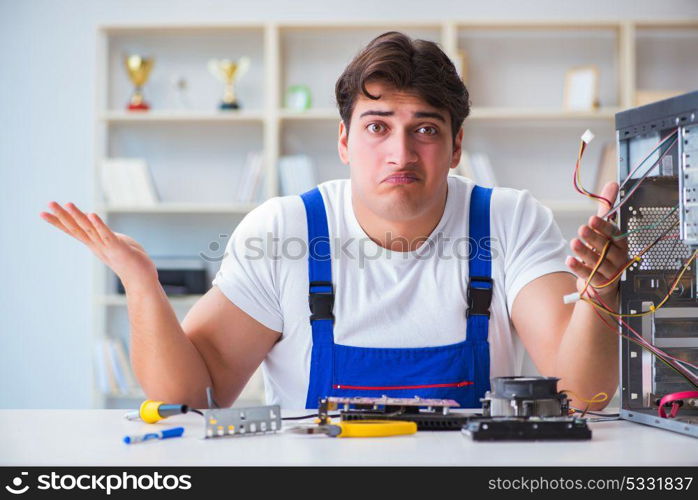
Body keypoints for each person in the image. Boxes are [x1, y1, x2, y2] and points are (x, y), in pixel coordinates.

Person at [40, 31, 627, 411]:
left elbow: (585, 395)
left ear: (455, 147)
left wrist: (600, 290)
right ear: (344, 140)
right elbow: (191, 394)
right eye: (377, 126)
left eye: (425, 128)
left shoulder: (509, 219)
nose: (400, 153)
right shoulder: (282, 230)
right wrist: (141, 281)